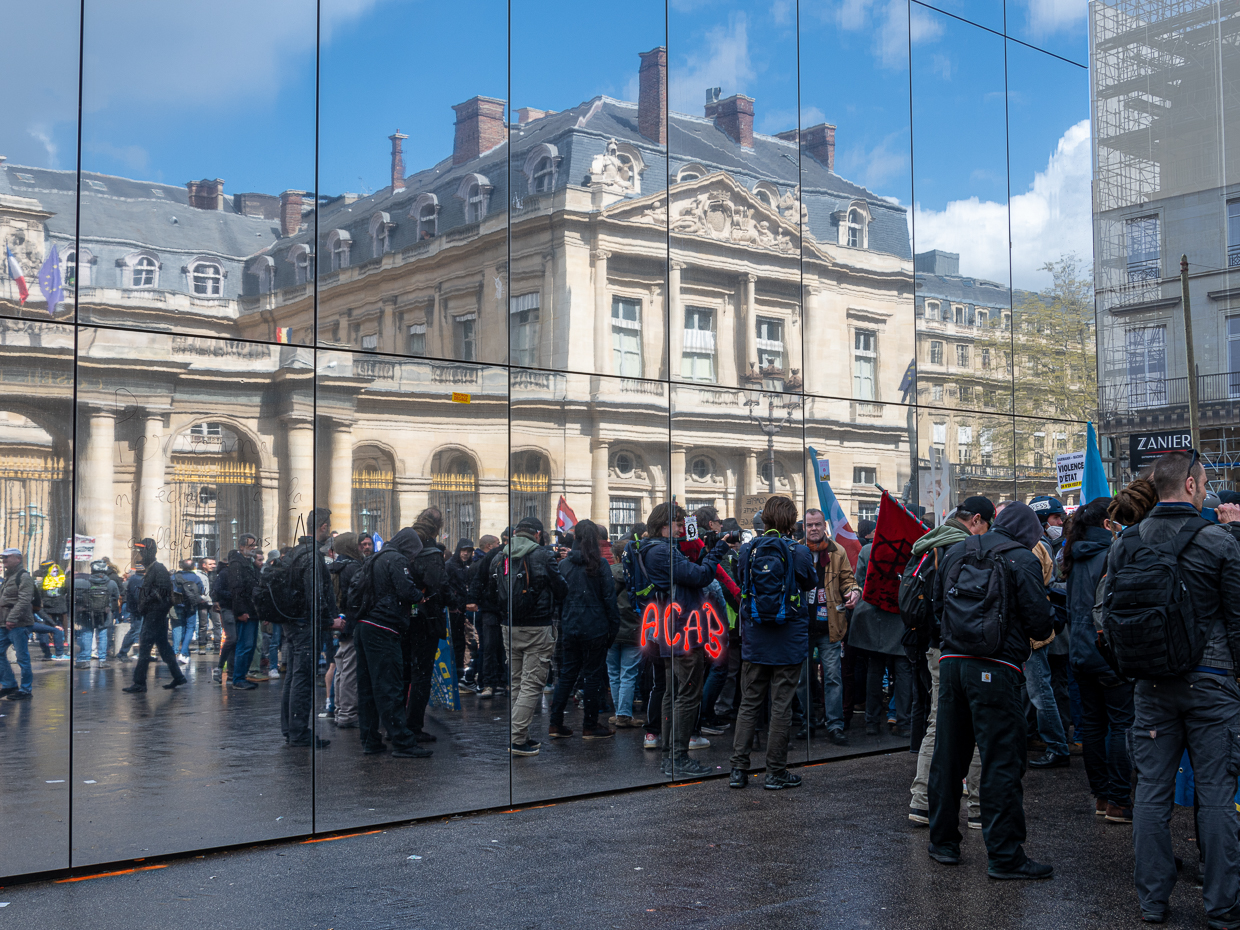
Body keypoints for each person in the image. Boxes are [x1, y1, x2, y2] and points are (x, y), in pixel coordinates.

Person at [1105, 451, 1240, 925]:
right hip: (1214, 683)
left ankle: (1152, 901)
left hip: (1152, 686)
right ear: (1188, 485)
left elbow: (1107, 616)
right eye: (1203, 482)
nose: (1205, 489)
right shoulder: (1220, 541)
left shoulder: (1126, 543)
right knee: (1218, 795)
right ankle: (1223, 908)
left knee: (1151, 796)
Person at [927, 501, 1054, 880]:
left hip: (952, 664)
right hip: (997, 669)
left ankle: (944, 843)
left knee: (949, 755)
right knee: (1002, 760)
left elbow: (937, 607)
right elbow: (1038, 622)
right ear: (1028, 533)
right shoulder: (1022, 559)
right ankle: (1005, 856)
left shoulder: (956, 550)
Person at [625, 502, 728, 777]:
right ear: (664, 524)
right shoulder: (661, 551)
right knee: (687, 695)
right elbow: (701, 576)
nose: (683, 528)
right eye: (679, 523)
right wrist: (718, 550)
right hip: (683, 633)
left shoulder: (652, 548)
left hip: (671, 631)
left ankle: (671, 756)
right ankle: (678, 757)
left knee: (673, 694)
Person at [906, 497, 992, 828]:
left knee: (938, 723)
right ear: (978, 521)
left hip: (932, 646)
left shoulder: (928, 544)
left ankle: (922, 801)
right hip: (960, 646)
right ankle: (978, 807)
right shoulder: (964, 547)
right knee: (977, 721)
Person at [728, 496, 816, 790]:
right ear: (792, 522)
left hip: (755, 638)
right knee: (781, 706)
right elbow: (810, 582)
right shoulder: (799, 551)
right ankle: (775, 772)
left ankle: (738, 770)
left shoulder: (748, 550)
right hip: (789, 639)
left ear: (764, 520)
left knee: (749, 703)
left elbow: (743, 582)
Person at [1063, 494, 1131, 823]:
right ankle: (1119, 799)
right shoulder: (1114, 552)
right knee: (1120, 725)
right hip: (1108, 653)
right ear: (1108, 523)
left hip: (1080, 652)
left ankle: (1102, 797)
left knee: (1092, 725)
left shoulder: (1074, 555)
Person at [354, 525, 432, 759]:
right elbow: (405, 590)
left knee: (367, 688)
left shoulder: (375, 557)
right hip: (383, 627)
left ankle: (370, 739)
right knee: (390, 686)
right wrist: (421, 596)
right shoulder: (396, 559)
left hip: (364, 625)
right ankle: (402, 741)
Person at [499, 517, 567, 756]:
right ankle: (517, 739)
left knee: (517, 682)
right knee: (532, 684)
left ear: (516, 533)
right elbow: (561, 589)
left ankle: (522, 735)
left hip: (509, 626)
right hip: (537, 627)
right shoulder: (542, 555)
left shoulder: (502, 555)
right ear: (538, 535)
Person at [549, 520, 620, 740]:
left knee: (568, 675)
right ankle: (590, 724)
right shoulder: (600, 564)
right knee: (592, 676)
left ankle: (555, 723)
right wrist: (613, 627)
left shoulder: (564, 565)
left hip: (571, 626)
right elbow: (609, 599)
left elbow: (558, 598)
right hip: (596, 626)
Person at [800, 507, 860, 746]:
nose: (813, 528)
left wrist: (854, 592)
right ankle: (807, 723)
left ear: (824, 525)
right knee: (802, 679)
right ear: (803, 528)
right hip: (802, 627)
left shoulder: (838, 551)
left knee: (833, 678)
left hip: (830, 626)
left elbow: (849, 580)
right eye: (809, 525)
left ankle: (834, 725)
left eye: (817, 524)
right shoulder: (797, 550)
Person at [1026, 495, 1072, 770]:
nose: (1061, 523)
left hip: (1042, 630)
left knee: (1044, 689)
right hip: (1046, 628)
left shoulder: (1040, 547)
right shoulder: (1041, 545)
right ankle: (1054, 742)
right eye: (1056, 519)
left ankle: (1056, 745)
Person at [849, 540, 912, 737]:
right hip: (899, 617)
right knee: (903, 673)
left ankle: (872, 722)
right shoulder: (909, 549)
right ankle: (903, 722)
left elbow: (859, 581)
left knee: (874, 673)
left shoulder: (868, 550)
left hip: (874, 618)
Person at [282, 508, 333, 747]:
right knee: (302, 678)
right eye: (328, 527)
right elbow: (315, 595)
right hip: (305, 626)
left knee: (293, 677)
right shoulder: (313, 555)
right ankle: (299, 733)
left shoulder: (295, 552)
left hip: (292, 623)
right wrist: (329, 621)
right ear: (323, 527)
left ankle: (290, 729)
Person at [405, 508, 448, 743]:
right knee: (422, 674)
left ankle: (399, 724)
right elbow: (439, 586)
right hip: (425, 618)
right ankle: (413, 726)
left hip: (403, 617)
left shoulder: (406, 545)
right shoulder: (431, 552)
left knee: (403, 673)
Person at [123, 539, 187, 693]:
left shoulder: (158, 569)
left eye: (143, 551)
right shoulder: (154, 569)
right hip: (155, 614)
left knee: (145, 648)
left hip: (155, 615)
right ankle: (178, 676)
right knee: (163, 647)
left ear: (150, 552)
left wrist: (150, 605)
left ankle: (139, 683)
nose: (140, 554)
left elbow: (164, 594)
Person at [327, 532, 363, 730]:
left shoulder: (333, 567)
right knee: (349, 669)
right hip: (352, 623)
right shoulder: (353, 568)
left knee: (341, 668)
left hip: (338, 623)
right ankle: (347, 714)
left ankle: (340, 709)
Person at [607, 538, 643, 728]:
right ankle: (624, 714)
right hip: (634, 630)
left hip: (610, 632)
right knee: (628, 673)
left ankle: (618, 712)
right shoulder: (639, 574)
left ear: (615, 556)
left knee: (613, 673)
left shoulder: (607, 573)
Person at [467, 533, 506, 698]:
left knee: (493, 647)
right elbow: (479, 579)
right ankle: (495, 683)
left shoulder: (494, 555)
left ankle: (493, 683)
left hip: (494, 607)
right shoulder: (493, 556)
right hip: (495, 607)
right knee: (494, 647)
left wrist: (473, 599)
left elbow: (478, 580)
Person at [225, 536, 262, 690]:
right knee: (245, 645)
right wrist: (240, 611)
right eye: (250, 545)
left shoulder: (248, 563)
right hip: (245, 611)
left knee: (250, 645)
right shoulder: (237, 564)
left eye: (255, 545)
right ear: (241, 547)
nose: (254, 547)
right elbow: (236, 589)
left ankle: (242, 677)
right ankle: (238, 678)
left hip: (252, 611)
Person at [0, 548, 36, 700]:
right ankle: (9, 685)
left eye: (7, 557)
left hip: (18, 624)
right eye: (3, 558)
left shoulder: (23, 576)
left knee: (22, 657)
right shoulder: (9, 576)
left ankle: (26, 690)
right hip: (4, 623)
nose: (4, 560)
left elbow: (24, 600)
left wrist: (12, 618)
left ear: (18, 559)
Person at [74, 560, 119, 669]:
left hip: (87, 613)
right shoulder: (111, 583)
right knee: (103, 634)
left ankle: (85, 659)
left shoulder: (84, 582)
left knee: (87, 633)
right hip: (105, 613)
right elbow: (116, 596)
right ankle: (102, 660)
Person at [444, 537, 475, 689]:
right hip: (454, 610)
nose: (466, 554)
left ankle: (458, 674)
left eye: (468, 551)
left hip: (462, 610)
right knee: (456, 643)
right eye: (464, 551)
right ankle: (455, 675)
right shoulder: (450, 566)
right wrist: (453, 603)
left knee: (462, 644)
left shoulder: (467, 566)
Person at [171, 559, 204, 663]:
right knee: (190, 628)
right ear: (193, 567)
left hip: (178, 605)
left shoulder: (174, 576)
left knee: (180, 627)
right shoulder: (196, 577)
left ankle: (178, 651)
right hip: (191, 606)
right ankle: (184, 652)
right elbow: (201, 591)